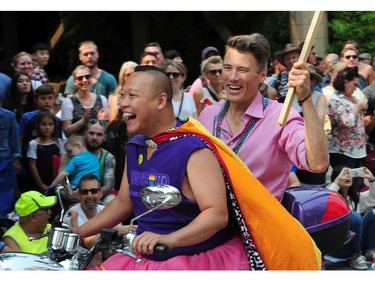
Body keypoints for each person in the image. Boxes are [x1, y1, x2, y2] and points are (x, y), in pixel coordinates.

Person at [76, 65, 321, 270]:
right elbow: (124, 202)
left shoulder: (194, 150)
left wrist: (168, 239)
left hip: (190, 262)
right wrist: (78, 231)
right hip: (143, 258)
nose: (123, 104)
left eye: (132, 96)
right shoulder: (136, 144)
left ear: (161, 100)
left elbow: (216, 215)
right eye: (123, 96)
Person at [199, 33, 329, 201]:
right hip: (213, 222)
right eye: (228, 68)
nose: (232, 77)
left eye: (243, 70)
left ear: (262, 75)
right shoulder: (208, 115)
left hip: (260, 224)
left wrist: (305, 98)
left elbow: (317, 163)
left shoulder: (280, 116)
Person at [327, 165, 375, 270]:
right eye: (343, 175)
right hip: (339, 246)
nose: (347, 177)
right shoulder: (330, 195)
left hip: (356, 242)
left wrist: (371, 179)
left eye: (349, 174)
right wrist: (336, 184)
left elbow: (373, 198)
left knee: (373, 213)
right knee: (355, 217)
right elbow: (327, 201)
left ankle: (371, 251)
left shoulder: (356, 198)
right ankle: (356, 255)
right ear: (336, 178)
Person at [63, 174, 128, 248]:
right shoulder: (72, 214)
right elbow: (87, 242)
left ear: (100, 193)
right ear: (78, 195)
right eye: (84, 192)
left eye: (93, 191)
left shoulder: (106, 210)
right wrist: (117, 230)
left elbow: (120, 230)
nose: (89, 196)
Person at [327, 66, 367, 170]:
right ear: (345, 82)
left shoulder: (353, 97)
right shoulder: (335, 101)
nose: (356, 88)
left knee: (359, 185)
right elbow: (346, 122)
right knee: (346, 184)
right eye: (354, 85)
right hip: (343, 152)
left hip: (359, 151)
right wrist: (358, 107)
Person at [60, 65, 109, 138]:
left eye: (87, 76)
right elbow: (66, 132)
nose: (84, 80)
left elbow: (107, 128)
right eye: (80, 78)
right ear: (74, 82)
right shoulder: (68, 102)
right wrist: (83, 121)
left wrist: (101, 121)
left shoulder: (102, 99)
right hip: (77, 145)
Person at [108, 61, 135, 188]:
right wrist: (119, 111)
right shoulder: (115, 97)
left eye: (134, 74)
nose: (131, 77)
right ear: (122, 77)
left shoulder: (143, 96)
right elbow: (113, 127)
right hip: (123, 145)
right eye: (127, 74)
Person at [27, 111, 65, 193]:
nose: (47, 127)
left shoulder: (58, 142)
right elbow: (32, 165)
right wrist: (40, 184)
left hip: (55, 179)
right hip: (40, 180)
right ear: (37, 125)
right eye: (44, 124)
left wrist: (59, 181)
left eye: (50, 124)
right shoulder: (34, 144)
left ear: (55, 126)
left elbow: (62, 161)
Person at [0, 104, 21, 217]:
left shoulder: (8, 116)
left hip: (5, 161)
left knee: (6, 198)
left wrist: (16, 159)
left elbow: (14, 139)